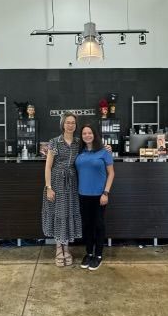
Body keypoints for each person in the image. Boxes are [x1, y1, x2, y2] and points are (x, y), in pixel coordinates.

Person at [42, 113, 82, 267]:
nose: (70, 125)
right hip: (57, 182)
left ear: (75, 125)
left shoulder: (79, 142)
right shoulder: (54, 142)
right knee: (59, 213)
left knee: (69, 212)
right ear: (62, 124)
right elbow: (48, 166)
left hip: (72, 182)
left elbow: (93, 148)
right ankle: (59, 247)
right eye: (67, 122)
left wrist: (107, 147)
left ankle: (67, 247)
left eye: (73, 122)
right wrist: (48, 187)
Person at [75, 125, 115, 271]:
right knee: (87, 225)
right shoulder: (80, 152)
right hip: (83, 195)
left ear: (94, 134)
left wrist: (106, 193)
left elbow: (111, 173)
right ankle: (88, 253)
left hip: (99, 196)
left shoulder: (104, 151)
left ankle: (98, 255)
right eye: (84, 133)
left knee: (98, 224)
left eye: (89, 133)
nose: (87, 135)